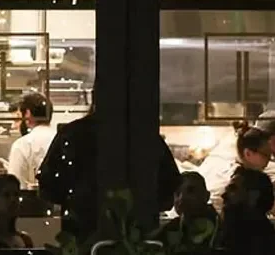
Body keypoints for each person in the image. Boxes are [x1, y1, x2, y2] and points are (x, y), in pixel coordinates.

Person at [37, 97, 180, 240]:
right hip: (137, 234)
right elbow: (170, 187)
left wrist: (76, 201)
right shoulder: (143, 135)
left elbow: (48, 187)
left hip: (81, 230)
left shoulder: (71, 134)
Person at [4, 92, 56, 190]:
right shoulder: (61, 139)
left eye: (17, 118)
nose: (13, 126)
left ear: (27, 113)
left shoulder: (22, 144)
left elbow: (16, 187)